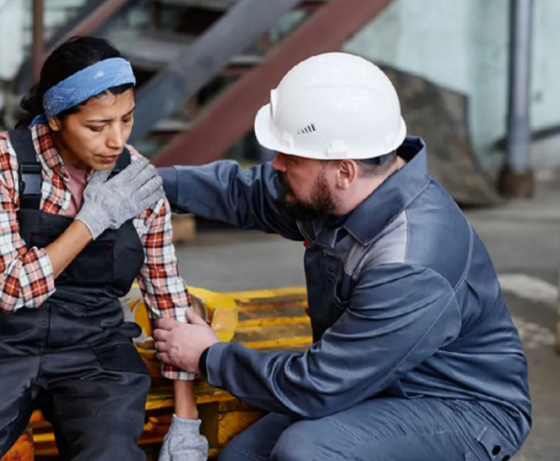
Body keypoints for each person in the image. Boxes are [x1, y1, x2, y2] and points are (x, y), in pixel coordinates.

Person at [151, 52, 532, 461]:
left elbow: (318, 386)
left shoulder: (410, 263)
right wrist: (150, 183)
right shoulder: (338, 191)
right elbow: (245, 193)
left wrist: (209, 355)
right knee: (243, 457)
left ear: (345, 172)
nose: (276, 165)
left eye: (291, 158)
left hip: (461, 408)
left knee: (307, 452)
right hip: (372, 379)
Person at [0, 36, 208, 461]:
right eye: (97, 127)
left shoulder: (136, 181)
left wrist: (186, 421)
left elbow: (166, 296)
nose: (116, 140)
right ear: (55, 118)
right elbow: (11, 289)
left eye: (127, 119)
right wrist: (92, 219)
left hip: (91, 346)